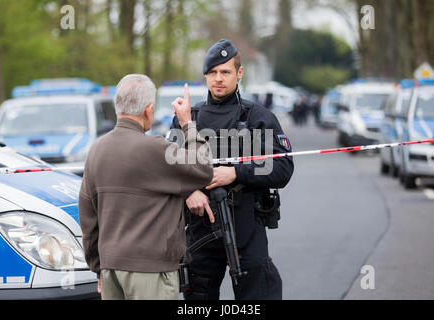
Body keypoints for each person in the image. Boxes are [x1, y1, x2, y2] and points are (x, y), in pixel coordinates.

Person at [170, 39, 294, 300]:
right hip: (201, 227)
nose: (218, 79)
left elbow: (283, 167)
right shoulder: (187, 117)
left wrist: (237, 173)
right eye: (212, 73)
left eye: (225, 72)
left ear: (239, 73)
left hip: (247, 226)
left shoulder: (258, 117)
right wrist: (189, 191)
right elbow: (168, 171)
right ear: (205, 76)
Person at [78, 74, 213, 300]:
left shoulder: (96, 150)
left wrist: (99, 266)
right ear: (149, 110)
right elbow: (202, 168)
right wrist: (188, 123)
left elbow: (88, 217)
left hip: (111, 269)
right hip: (152, 270)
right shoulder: (156, 149)